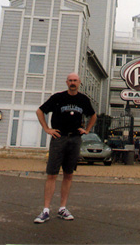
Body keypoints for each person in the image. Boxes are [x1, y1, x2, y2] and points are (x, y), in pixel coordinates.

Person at [34, 73, 96, 224]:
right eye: (70, 80)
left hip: (75, 139)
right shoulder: (58, 98)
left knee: (68, 174)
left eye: (75, 80)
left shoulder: (83, 100)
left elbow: (93, 115)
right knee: (52, 174)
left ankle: (62, 208)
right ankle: (46, 210)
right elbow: (40, 111)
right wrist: (47, 129)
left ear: (79, 82)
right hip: (59, 138)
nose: (73, 83)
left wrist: (87, 130)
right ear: (66, 82)